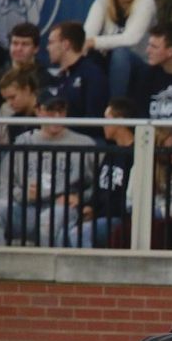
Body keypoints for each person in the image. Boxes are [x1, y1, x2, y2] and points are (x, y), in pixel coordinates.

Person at [0, 94, 95, 247]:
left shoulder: (85, 144)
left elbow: (99, 185)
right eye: (50, 111)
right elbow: (4, 186)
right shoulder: (23, 142)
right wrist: (24, 194)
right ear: (38, 111)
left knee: (48, 220)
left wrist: (80, 198)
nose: (56, 116)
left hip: (61, 209)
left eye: (61, 111)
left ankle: (45, 270)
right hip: (26, 208)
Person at [69, 97, 136, 248]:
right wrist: (91, 206)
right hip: (100, 214)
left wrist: (99, 212)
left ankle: (87, 272)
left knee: (79, 233)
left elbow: (126, 196)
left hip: (119, 218)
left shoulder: (136, 153)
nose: (103, 124)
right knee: (63, 228)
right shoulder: (111, 151)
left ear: (120, 121)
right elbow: (100, 187)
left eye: (107, 118)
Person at [84, 0, 157, 99]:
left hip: (142, 64)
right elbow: (87, 36)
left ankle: (116, 109)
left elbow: (131, 39)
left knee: (120, 54)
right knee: (89, 57)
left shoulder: (146, 2)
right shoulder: (101, 3)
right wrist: (88, 43)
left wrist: (93, 42)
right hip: (109, 63)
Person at [46, 21, 109, 125]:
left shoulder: (93, 75)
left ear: (66, 44)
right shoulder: (60, 77)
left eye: (51, 42)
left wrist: (63, 129)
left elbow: (95, 121)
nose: (48, 48)